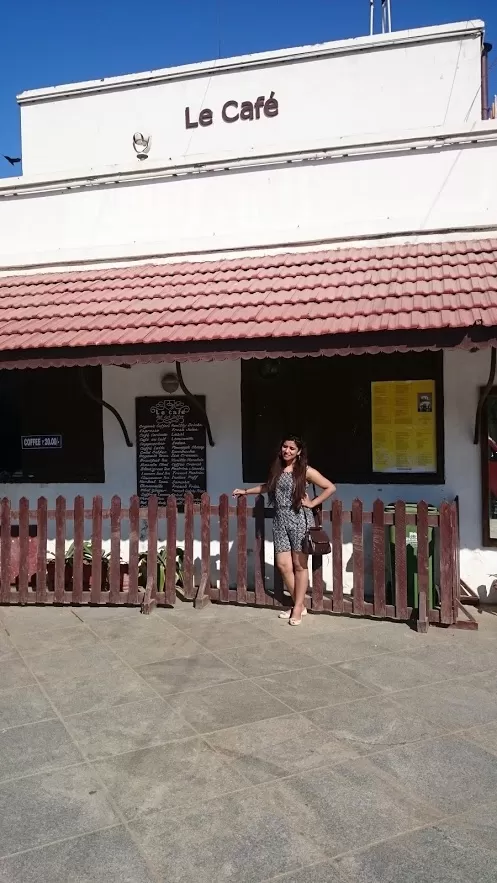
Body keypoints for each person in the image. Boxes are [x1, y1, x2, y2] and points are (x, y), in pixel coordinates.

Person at [233, 435, 335, 625]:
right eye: (285, 447)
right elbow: (267, 486)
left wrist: (312, 503)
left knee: (299, 565)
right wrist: (245, 492)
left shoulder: (305, 471)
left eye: (292, 448)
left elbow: (330, 487)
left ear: (299, 452)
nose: (287, 451)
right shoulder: (278, 470)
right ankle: (300, 604)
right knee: (283, 564)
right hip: (280, 520)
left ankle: (297, 607)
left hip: (299, 520)